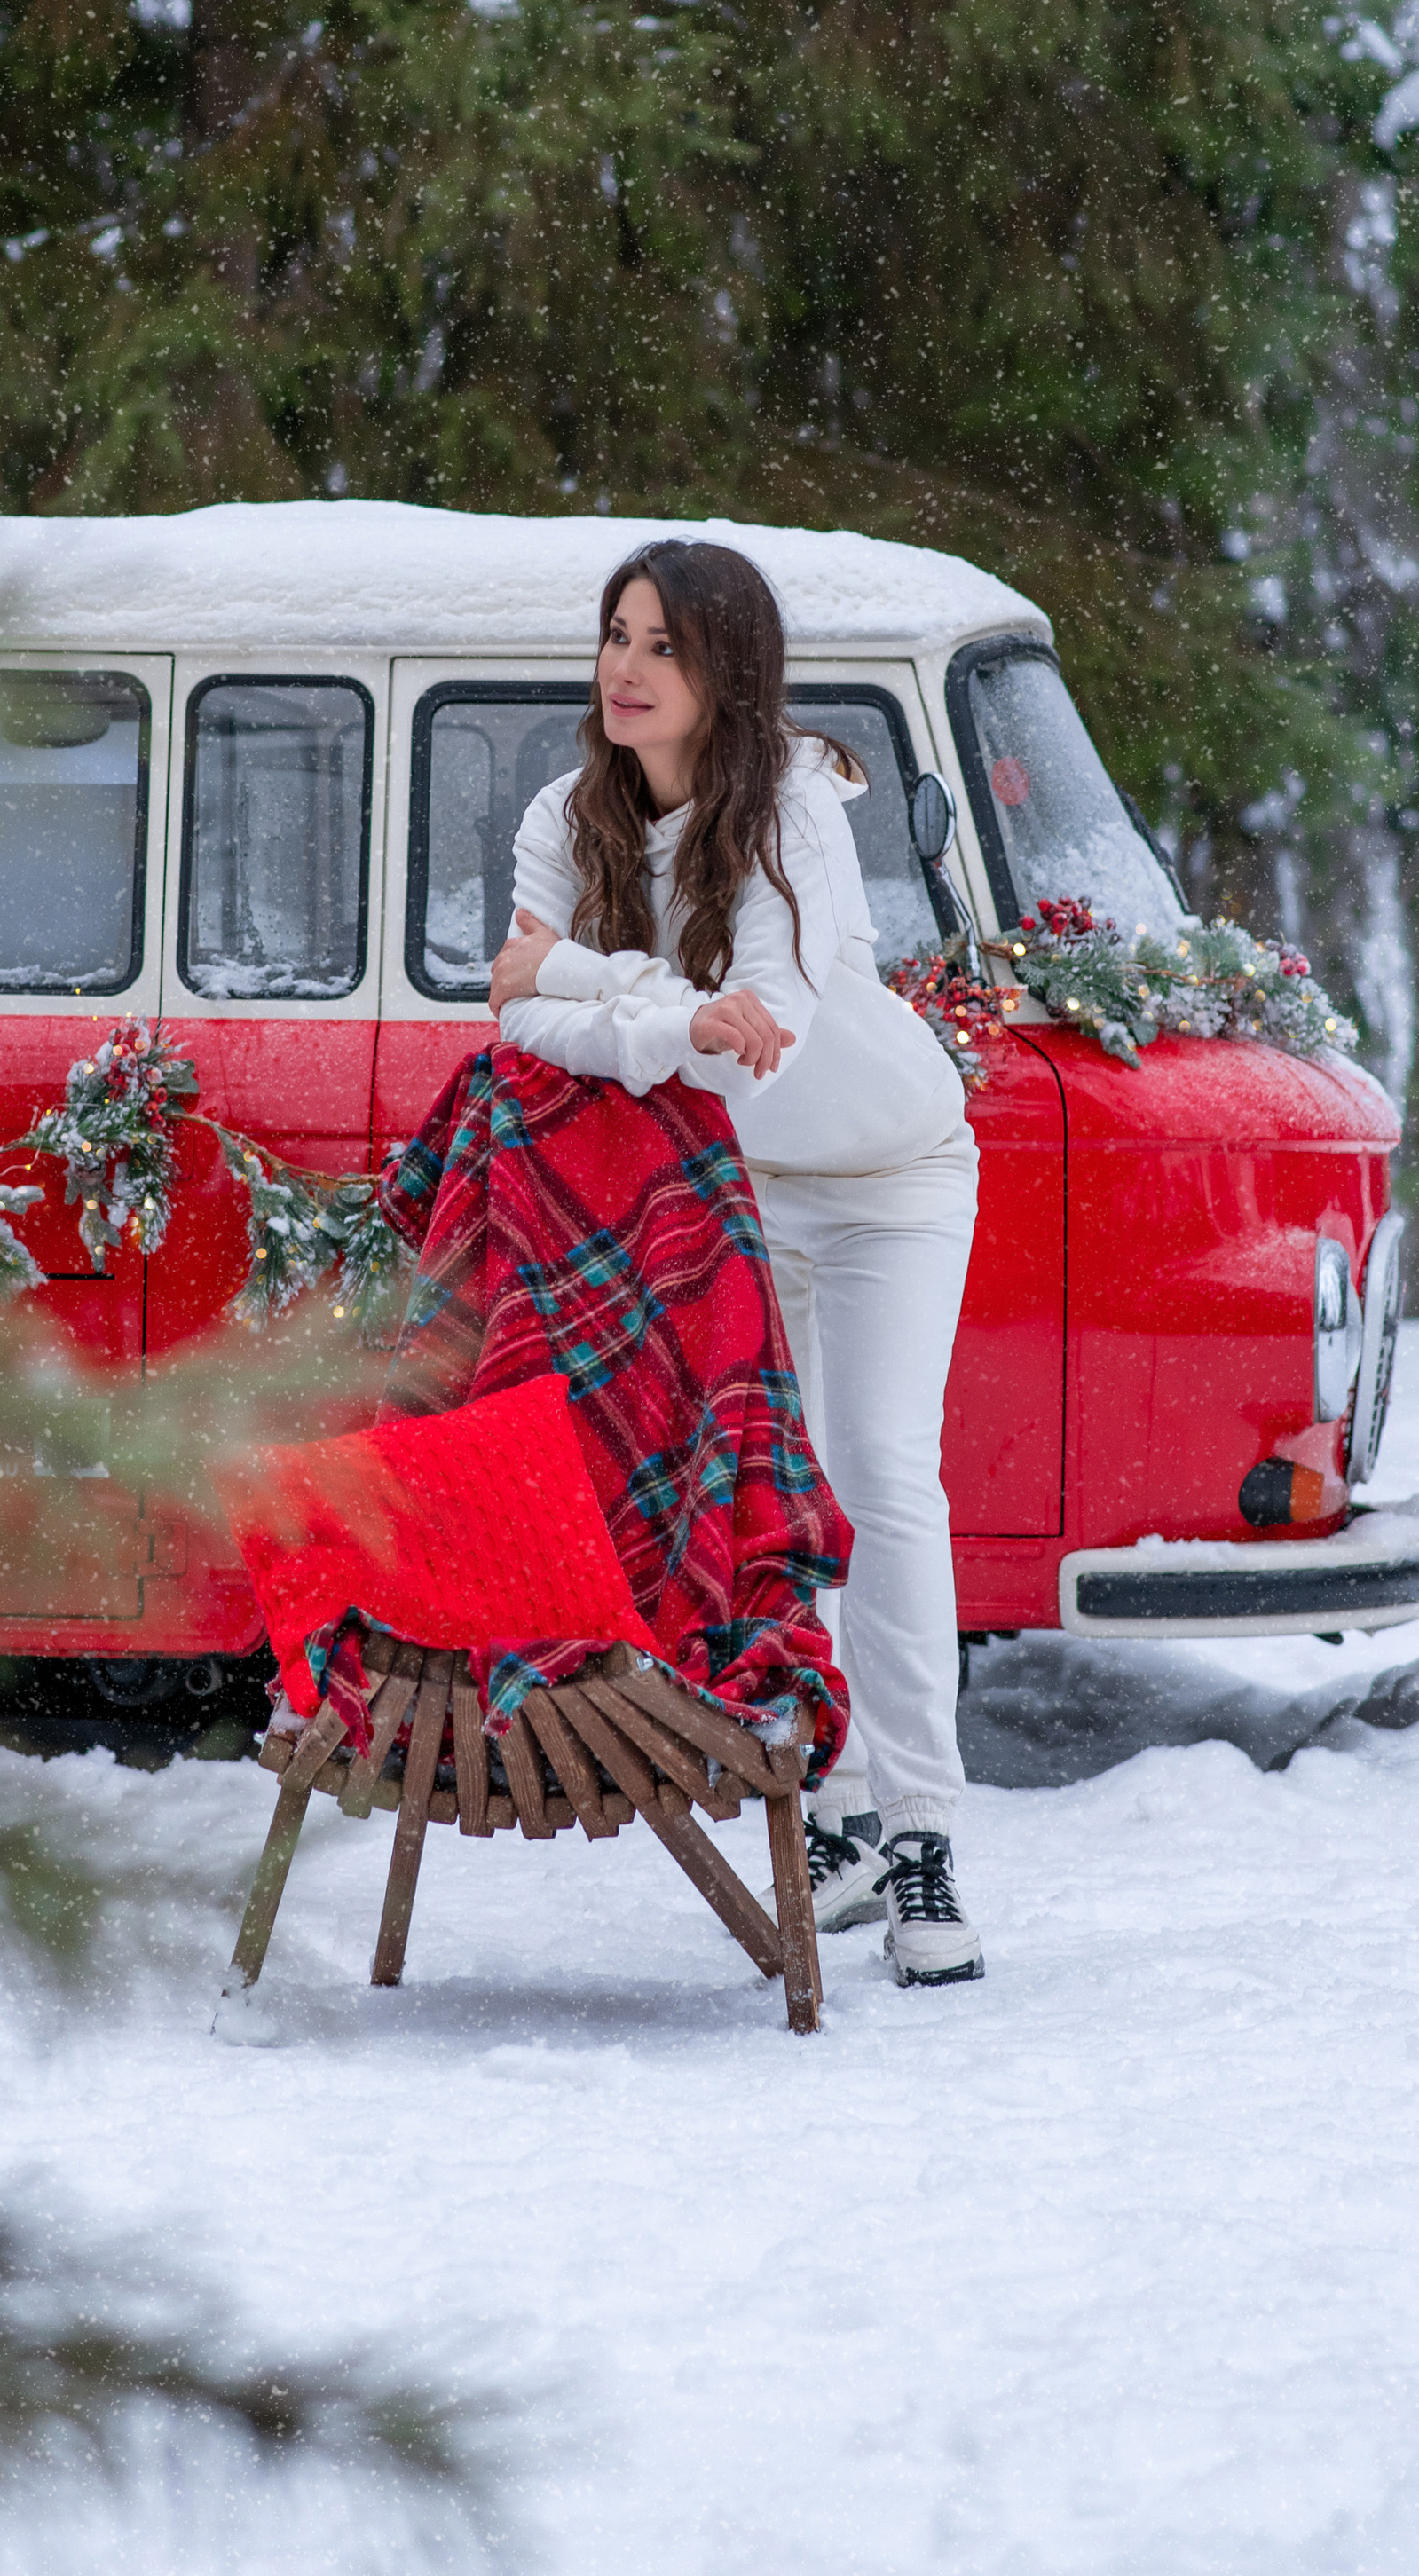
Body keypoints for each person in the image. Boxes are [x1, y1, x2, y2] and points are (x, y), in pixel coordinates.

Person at [488, 537, 984, 1986]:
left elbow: (755, 1037)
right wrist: (648, 1009)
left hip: (891, 1179)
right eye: (617, 635)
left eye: (666, 645)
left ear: (730, 672)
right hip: (738, 1196)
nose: (628, 668)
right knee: (773, 1499)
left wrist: (585, 979)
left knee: (881, 1473)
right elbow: (519, 1021)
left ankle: (925, 1834)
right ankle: (837, 1811)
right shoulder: (563, 818)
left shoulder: (793, 812)